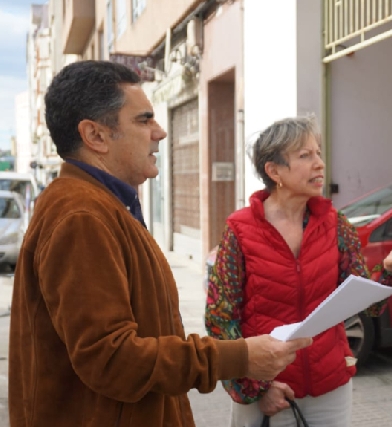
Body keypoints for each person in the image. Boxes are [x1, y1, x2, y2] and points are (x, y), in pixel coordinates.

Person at [8, 60, 311, 427]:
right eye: (143, 120)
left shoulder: (102, 206)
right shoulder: (81, 216)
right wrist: (238, 357)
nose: (160, 132)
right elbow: (112, 359)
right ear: (95, 136)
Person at [205, 116, 392, 427]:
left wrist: (389, 267)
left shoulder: (336, 225)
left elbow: (368, 305)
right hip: (268, 392)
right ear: (274, 171)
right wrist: (255, 388)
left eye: (319, 153)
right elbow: (220, 319)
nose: (319, 164)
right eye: (305, 156)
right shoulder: (239, 231)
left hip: (330, 387)